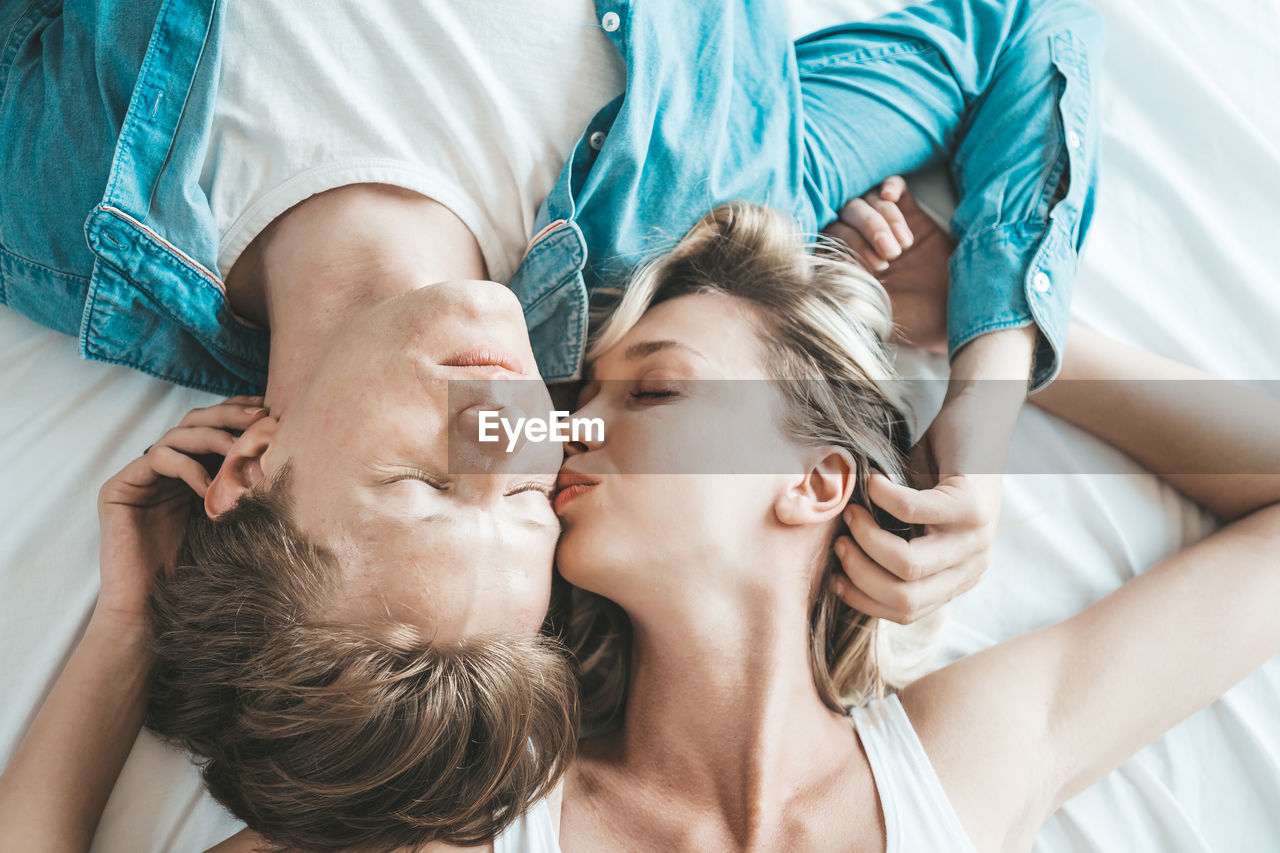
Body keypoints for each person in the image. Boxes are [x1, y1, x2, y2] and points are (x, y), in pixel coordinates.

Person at [0, 0, 1104, 846]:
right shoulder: (700, 202)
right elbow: (1005, 26)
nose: (507, 426)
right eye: (526, 491)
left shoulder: (63, 199)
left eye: (432, 487)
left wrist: (128, 627)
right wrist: (984, 408)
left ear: (246, 467)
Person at [541, 201, 1280, 851]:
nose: (573, 426)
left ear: (814, 482)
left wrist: (988, 337)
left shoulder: (961, 763)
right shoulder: (489, 806)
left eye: (656, 389)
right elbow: (441, 415)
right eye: (583, 395)